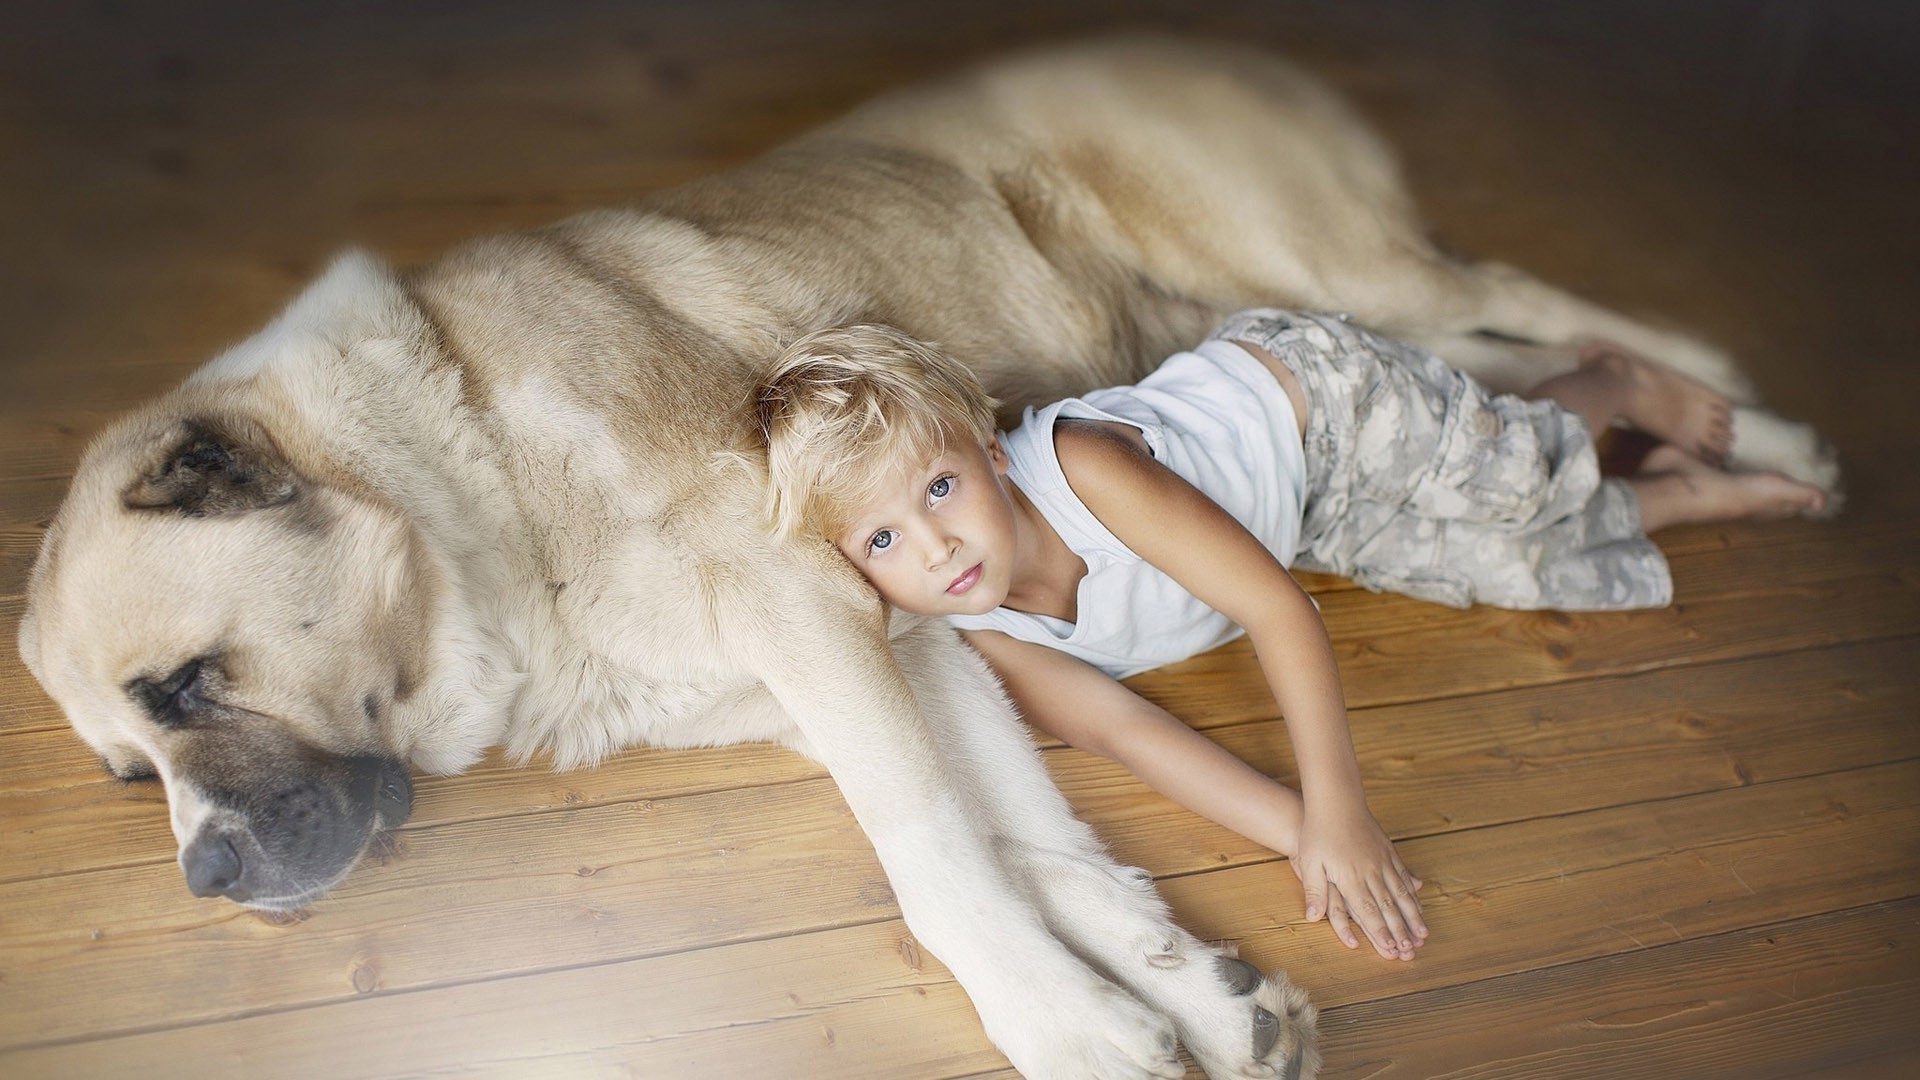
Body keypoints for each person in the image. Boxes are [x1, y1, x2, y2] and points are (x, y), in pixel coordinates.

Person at [751, 309, 1825, 962]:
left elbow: (1278, 610)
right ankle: (1674, 494)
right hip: (1297, 516)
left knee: (1516, 478)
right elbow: (1123, 731)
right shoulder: (987, 635)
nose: (936, 547)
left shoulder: (1088, 472)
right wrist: (1305, 834)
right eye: (885, 537)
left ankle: (1616, 384)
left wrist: (1347, 808)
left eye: (940, 488)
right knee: (1500, 566)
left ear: (989, 449)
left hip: (1323, 402)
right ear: (857, 570)